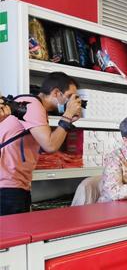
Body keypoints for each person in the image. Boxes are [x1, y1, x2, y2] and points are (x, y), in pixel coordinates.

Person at [0, 72, 82, 216]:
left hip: (14, 185)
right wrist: (67, 116)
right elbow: (50, 145)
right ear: (56, 93)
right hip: (8, 187)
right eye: (69, 97)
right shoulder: (32, 105)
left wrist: (68, 119)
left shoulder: (33, 106)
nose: (72, 103)